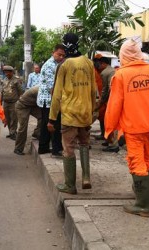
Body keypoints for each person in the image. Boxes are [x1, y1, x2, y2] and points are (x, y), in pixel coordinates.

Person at [104, 39, 149, 217]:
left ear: (123, 56)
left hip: (133, 128)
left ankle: (143, 205)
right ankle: (140, 191)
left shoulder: (120, 76)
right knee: (146, 158)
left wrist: (109, 129)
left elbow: (114, 106)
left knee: (137, 162)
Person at [48, 33, 96, 194]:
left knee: (68, 148)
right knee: (84, 144)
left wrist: (52, 118)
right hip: (85, 114)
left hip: (69, 114)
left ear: (65, 45)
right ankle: (86, 178)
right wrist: (91, 112)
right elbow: (93, 90)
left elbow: (57, 94)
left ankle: (70, 185)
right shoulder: (88, 63)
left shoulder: (64, 65)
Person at [36, 44, 65, 156]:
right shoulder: (49, 65)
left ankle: (43, 147)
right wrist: (59, 100)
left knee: (45, 125)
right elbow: (51, 87)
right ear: (53, 53)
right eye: (59, 54)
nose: (61, 57)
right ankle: (56, 149)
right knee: (54, 124)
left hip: (48, 100)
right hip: (48, 100)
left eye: (63, 55)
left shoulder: (57, 64)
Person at [95, 56, 119, 153]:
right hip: (116, 98)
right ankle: (109, 140)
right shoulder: (112, 70)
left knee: (111, 121)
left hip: (111, 99)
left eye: (99, 64)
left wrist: (101, 102)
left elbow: (105, 90)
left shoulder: (105, 73)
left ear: (103, 64)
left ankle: (113, 144)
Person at [14, 85, 41, 155]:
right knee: (23, 127)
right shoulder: (38, 90)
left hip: (31, 105)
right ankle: (18, 148)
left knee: (43, 117)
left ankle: (37, 133)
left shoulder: (42, 88)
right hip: (22, 106)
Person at [1, 65, 24, 140]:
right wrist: (0, 101)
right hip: (6, 102)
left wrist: (20, 102)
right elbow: (2, 91)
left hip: (14, 102)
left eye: (8, 72)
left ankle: (13, 132)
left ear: (12, 72)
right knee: (7, 118)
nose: (6, 74)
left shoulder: (17, 80)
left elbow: (21, 92)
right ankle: (10, 132)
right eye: (5, 72)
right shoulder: (4, 80)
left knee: (14, 118)